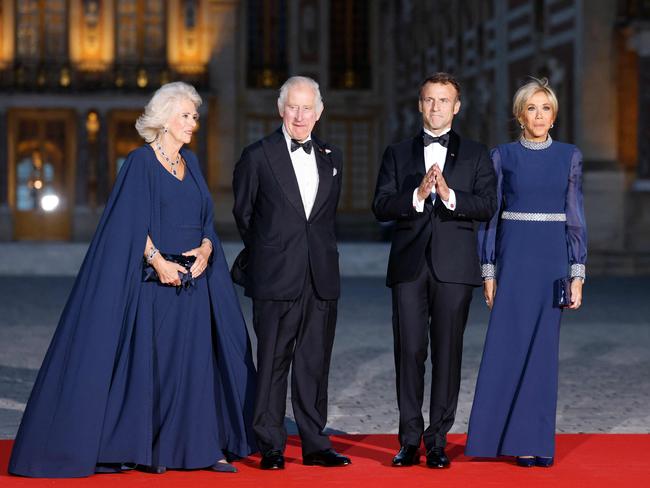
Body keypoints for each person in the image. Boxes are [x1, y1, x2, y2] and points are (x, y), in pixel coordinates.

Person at [9, 82, 257, 478]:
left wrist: (208, 249)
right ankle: (151, 449)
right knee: (155, 369)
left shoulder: (190, 163)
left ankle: (201, 448)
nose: (193, 121)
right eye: (186, 115)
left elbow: (206, 219)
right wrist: (157, 261)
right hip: (155, 284)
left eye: (194, 115)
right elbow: (127, 221)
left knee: (194, 369)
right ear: (164, 120)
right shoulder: (140, 163)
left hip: (193, 285)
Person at [372, 72, 497, 469]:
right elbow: (380, 205)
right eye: (429, 100)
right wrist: (418, 195)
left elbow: (487, 205)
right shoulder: (396, 153)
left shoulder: (477, 153)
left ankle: (438, 440)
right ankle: (409, 440)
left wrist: (448, 195)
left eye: (444, 101)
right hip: (409, 266)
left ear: (456, 107)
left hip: (455, 267)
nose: (436, 107)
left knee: (447, 354)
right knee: (409, 352)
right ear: (420, 104)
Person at [465, 78, 587, 468]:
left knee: (542, 354)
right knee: (506, 348)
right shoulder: (502, 156)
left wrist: (577, 273)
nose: (539, 115)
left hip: (551, 263)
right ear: (520, 115)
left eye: (546, 108)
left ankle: (534, 442)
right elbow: (489, 220)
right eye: (531, 108)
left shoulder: (570, 156)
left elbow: (575, 218)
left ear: (554, 116)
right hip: (513, 262)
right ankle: (493, 439)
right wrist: (488, 272)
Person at [231, 76, 349, 470]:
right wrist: (272, 252)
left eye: (307, 108)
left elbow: (323, 218)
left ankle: (315, 442)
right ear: (281, 109)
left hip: (321, 275)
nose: (300, 116)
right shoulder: (257, 155)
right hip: (275, 275)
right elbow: (244, 215)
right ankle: (270, 444)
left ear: (319, 112)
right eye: (293, 107)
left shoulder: (333, 157)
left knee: (315, 362)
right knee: (273, 361)